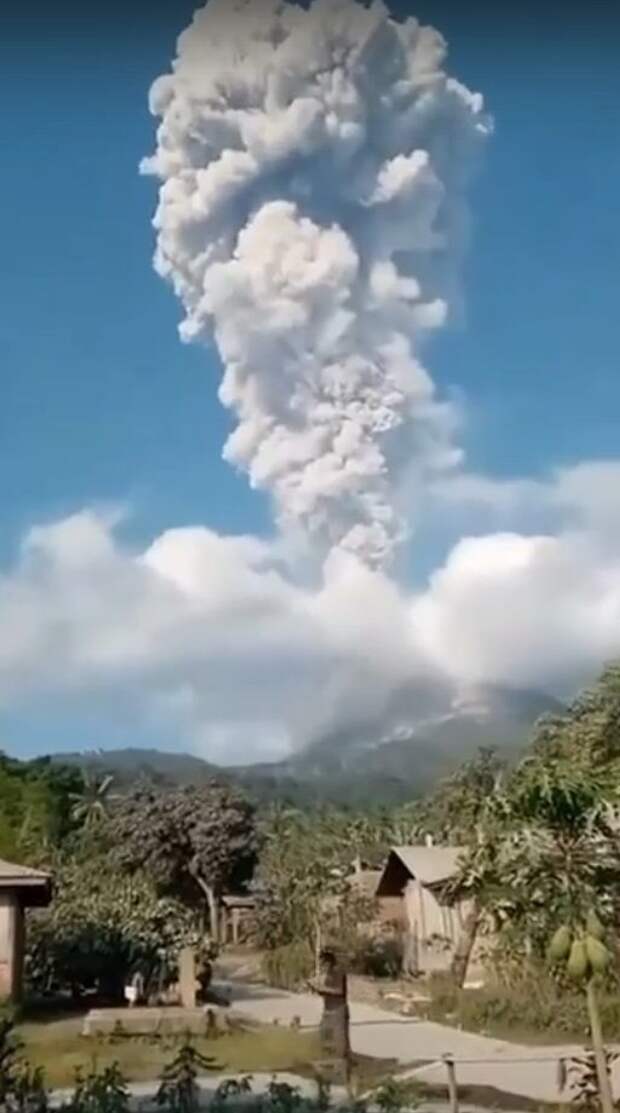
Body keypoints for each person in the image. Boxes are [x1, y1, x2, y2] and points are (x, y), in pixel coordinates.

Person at [309, 949, 351, 1062]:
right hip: (328, 1011)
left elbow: (339, 991)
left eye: (323, 964)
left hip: (338, 1012)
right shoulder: (327, 974)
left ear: (329, 962)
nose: (322, 967)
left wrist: (320, 988)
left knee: (339, 1044)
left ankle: (343, 1065)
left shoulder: (338, 972)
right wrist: (315, 988)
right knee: (323, 1038)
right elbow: (327, 991)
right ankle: (326, 1062)